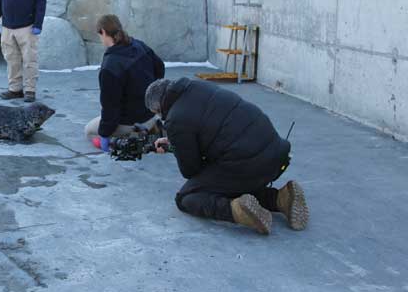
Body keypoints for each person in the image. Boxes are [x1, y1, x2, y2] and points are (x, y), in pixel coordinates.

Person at [145, 77, 309, 235]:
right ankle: (281, 198)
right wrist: (177, 142)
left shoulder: (176, 119)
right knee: (228, 181)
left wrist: (178, 146)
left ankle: (238, 211)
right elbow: (211, 128)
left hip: (248, 164)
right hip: (275, 154)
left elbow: (191, 170)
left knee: (187, 197)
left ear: (159, 108)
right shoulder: (197, 87)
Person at [86, 15, 165, 152]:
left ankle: (129, 139)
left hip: (131, 121)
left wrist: (104, 134)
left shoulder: (110, 66)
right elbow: (160, 67)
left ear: (103, 32)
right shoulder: (139, 45)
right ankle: (151, 127)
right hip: (152, 113)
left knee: (89, 131)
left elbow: (111, 108)